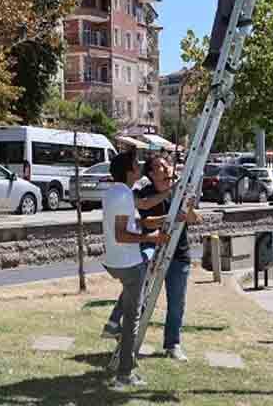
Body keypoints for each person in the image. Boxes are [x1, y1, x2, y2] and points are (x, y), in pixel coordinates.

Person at [101, 150, 170, 387]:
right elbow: (122, 234)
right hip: (128, 263)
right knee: (133, 320)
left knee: (131, 319)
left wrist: (162, 220)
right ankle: (125, 374)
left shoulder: (117, 192)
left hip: (115, 261)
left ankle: (113, 328)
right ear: (129, 170)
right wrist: (151, 239)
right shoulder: (123, 195)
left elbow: (135, 221)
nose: (139, 165)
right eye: (135, 163)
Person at [137, 154, 200, 360]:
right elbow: (145, 222)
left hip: (179, 255)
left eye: (167, 165)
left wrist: (188, 208)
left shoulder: (180, 193)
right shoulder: (147, 194)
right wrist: (169, 218)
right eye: (160, 167)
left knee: (177, 303)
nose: (166, 169)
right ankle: (132, 337)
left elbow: (195, 219)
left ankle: (172, 344)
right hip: (153, 251)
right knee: (142, 297)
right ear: (151, 174)